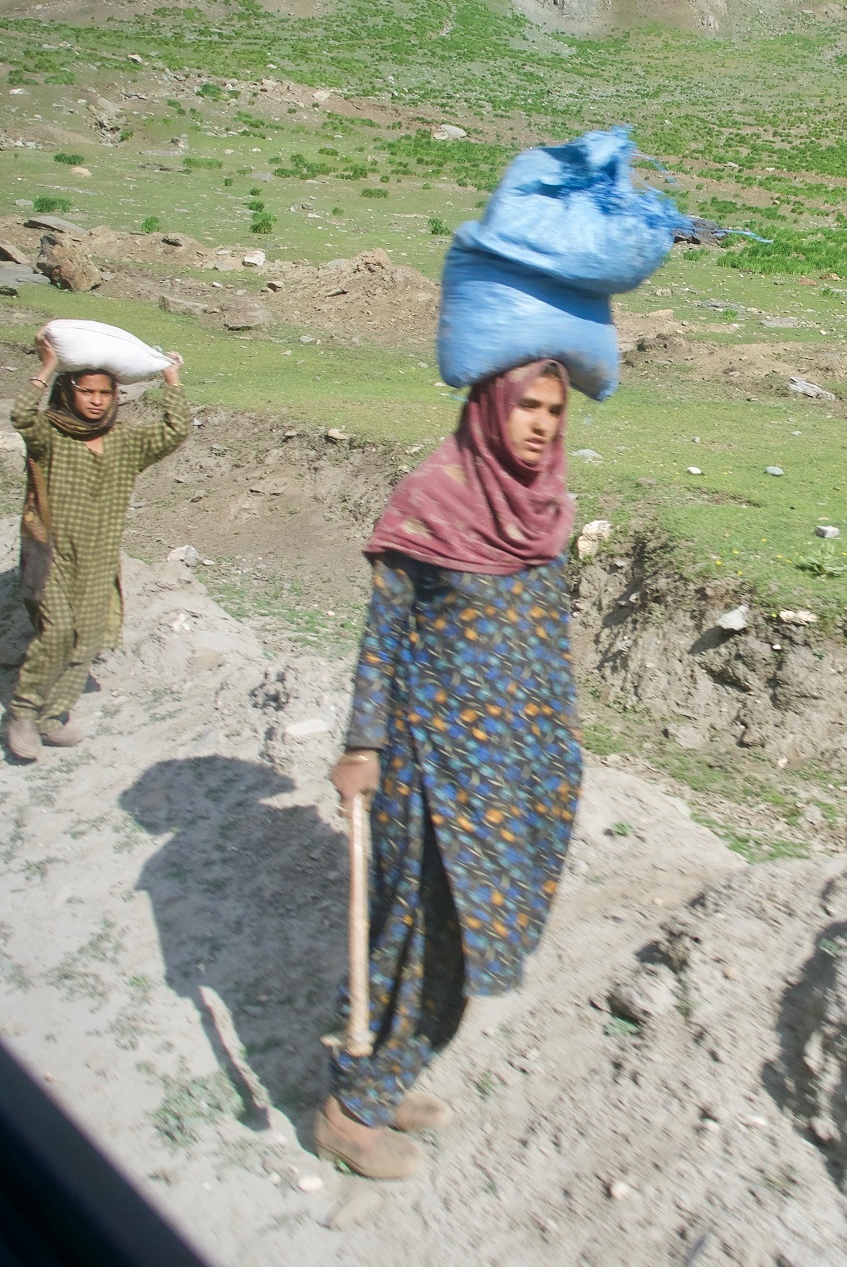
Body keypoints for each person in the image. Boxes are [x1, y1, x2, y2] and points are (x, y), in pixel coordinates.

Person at [317, 360, 581, 1179]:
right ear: (488, 407)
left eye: (553, 409)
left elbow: (546, 645)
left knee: (468, 938)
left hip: (517, 769)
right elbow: (382, 637)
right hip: (431, 768)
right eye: (526, 406)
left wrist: (559, 750)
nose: (539, 423)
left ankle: (387, 1075)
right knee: (419, 933)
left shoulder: (547, 510)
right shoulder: (432, 501)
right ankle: (347, 1113)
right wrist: (363, 746)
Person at [6, 331, 189, 762]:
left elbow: (176, 430)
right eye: (86, 391)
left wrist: (171, 378)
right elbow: (20, 416)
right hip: (52, 556)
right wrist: (47, 366)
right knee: (58, 633)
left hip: (99, 561)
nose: (96, 401)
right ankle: (23, 712)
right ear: (69, 392)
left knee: (87, 639)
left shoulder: (126, 444)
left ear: (116, 396)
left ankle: (53, 718)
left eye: (105, 393)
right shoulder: (50, 437)